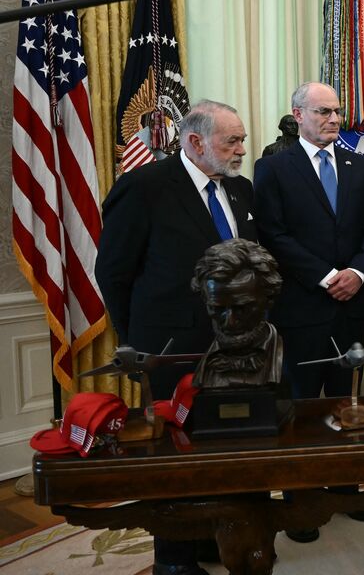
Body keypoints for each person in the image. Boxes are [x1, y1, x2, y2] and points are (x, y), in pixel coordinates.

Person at [96, 99, 252, 575]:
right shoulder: (143, 188)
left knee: (228, 447)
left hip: (238, 346)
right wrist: (140, 342)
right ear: (195, 141)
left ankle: (216, 538)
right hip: (170, 351)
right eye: (233, 141)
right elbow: (114, 272)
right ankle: (175, 560)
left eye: (242, 139)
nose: (242, 149)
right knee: (177, 454)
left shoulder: (242, 190)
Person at [253, 81, 364, 538]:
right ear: (298, 114)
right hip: (303, 303)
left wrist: (358, 273)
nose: (334, 119)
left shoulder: (360, 165)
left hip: (353, 304)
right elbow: (273, 234)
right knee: (303, 404)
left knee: (348, 401)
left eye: (337, 111)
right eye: (324, 111)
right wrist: (328, 276)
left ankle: (347, 489)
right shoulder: (273, 168)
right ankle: (301, 498)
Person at [190, 239, 285, 389]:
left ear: (269, 299)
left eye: (243, 308)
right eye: (218, 308)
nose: (230, 322)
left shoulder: (289, 360)